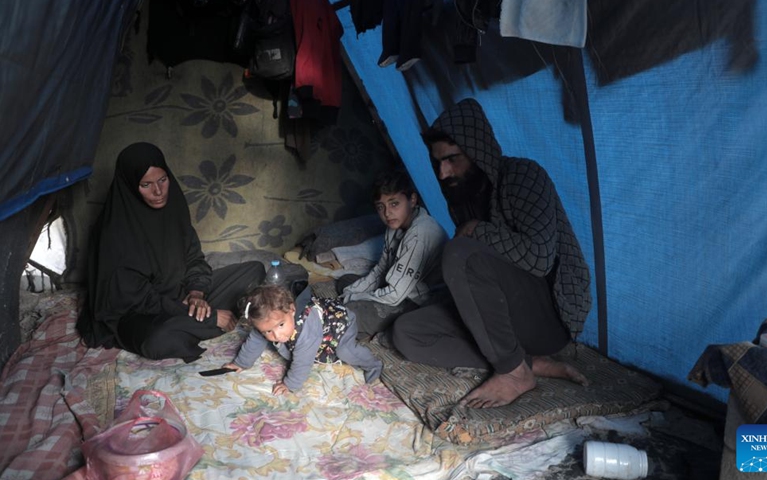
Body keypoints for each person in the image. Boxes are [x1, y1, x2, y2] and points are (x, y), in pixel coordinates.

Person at [391, 98, 593, 408]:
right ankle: (526, 362)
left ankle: (514, 374)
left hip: (550, 316)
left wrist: (478, 229)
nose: (443, 173)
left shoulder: (523, 176)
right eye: (438, 163)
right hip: (508, 320)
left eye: (453, 159)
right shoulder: (462, 195)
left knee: (459, 252)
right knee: (407, 333)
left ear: (478, 150)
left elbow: (539, 259)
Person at [77, 142, 266, 363]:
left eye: (162, 180)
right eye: (146, 184)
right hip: (139, 314)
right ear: (130, 186)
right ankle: (210, 322)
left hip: (181, 295)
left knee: (254, 270)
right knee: (158, 341)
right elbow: (137, 300)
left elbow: (194, 257)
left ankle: (198, 323)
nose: (158, 192)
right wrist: (209, 317)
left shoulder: (173, 208)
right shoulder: (114, 232)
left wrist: (196, 294)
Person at [336, 170, 448, 339]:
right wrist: (351, 292)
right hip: (399, 288)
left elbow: (395, 295)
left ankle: (377, 327)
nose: (387, 213)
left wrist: (354, 298)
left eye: (394, 204)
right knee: (345, 282)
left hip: (420, 301)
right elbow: (381, 269)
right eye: (381, 207)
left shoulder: (421, 234)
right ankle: (366, 316)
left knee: (350, 313)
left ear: (412, 200)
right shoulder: (394, 226)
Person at [223, 284, 382, 394]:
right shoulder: (268, 323)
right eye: (267, 331)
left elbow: (302, 362)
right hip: (320, 328)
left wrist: (289, 384)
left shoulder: (306, 330)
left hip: (341, 324)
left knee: (345, 351)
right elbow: (255, 339)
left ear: (292, 309)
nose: (277, 336)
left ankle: (374, 365)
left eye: (281, 325)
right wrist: (241, 363)